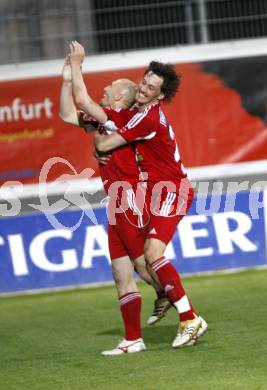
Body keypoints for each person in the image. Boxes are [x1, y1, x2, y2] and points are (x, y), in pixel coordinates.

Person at [68, 41, 208, 352]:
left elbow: (104, 146)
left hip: (171, 189)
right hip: (157, 192)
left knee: (151, 256)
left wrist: (77, 66)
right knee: (140, 261)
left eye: (151, 86)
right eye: (144, 81)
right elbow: (91, 124)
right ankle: (141, 334)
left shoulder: (148, 118)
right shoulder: (135, 113)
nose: (144, 87)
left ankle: (190, 317)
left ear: (160, 95)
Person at [59, 55, 173, 355]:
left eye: (110, 86)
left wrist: (76, 66)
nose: (105, 88)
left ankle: (176, 299)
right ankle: (133, 339)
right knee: (121, 272)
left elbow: (82, 100)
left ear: (119, 97)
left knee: (140, 262)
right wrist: (67, 81)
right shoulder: (104, 120)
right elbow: (67, 114)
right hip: (115, 200)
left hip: (129, 197)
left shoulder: (118, 118)